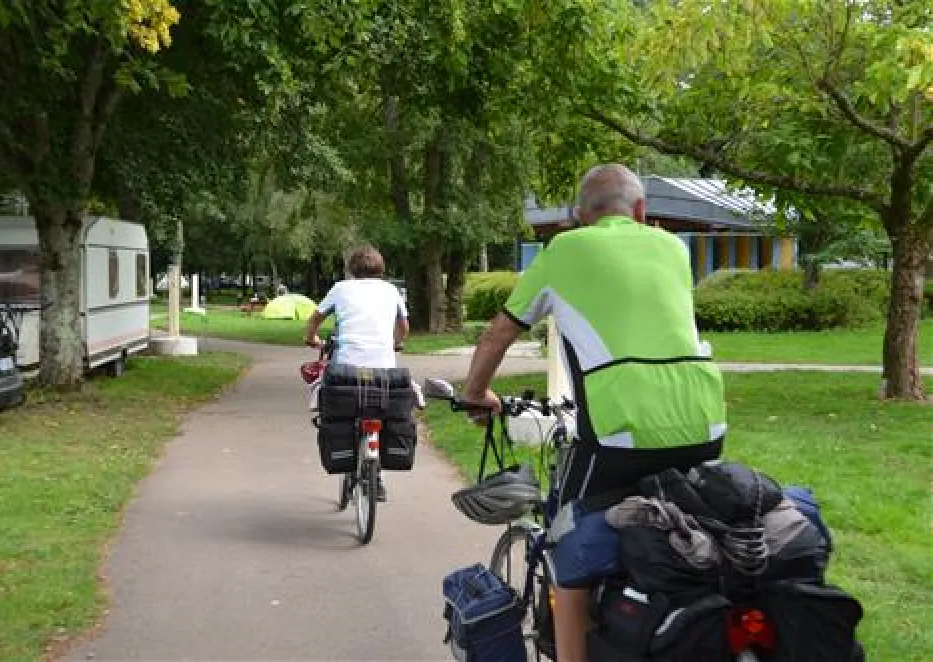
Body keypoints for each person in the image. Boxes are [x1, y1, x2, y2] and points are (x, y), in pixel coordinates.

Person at [460, 164, 727, 662]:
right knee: (686, 527)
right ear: (642, 211)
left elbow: (499, 333)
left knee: (569, 545)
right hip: (704, 421)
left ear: (581, 217)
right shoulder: (673, 248)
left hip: (617, 430)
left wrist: (477, 395)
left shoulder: (565, 250)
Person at [304, 244, 411, 501]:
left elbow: (315, 318)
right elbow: (404, 325)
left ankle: (346, 456)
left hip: (346, 368)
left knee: (338, 404)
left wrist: (312, 338)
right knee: (383, 413)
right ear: (380, 268)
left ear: (352, 269)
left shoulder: (340, 289)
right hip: (384, 368)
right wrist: (395, 343)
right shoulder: (391, 290)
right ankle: (379, 476)